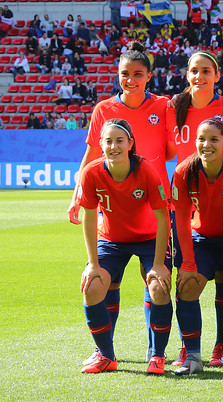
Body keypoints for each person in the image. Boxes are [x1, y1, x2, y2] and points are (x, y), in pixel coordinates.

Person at [68, 41, 175, 366]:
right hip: (115, 212)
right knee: (104, 281)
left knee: (155, 281)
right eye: (125, 74)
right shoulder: (103, 109)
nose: (131, 80)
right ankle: (105, 351)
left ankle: (156, 352)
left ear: (149, 76)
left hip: (154, 206)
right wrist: (76, 193)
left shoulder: (163, 105)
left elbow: (172, 150)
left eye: (138, 74)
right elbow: (91, 153)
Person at [168, 51, 223, 368]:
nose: (199, 76)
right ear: (187, 74)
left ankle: (221, 347)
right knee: (184, 278)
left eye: (206, 70)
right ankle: (187, 348)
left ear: (217, 75)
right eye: (194, 71)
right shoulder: (173, 106)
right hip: (191, 205)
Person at [77, 118, 173, 374]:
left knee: (159, 287)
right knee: (92, 287)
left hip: (149, 239)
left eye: (119, 141)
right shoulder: (91, 172)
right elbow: (89, 217)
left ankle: (157, 356)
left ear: (130, 143)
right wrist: (92, 264)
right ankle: (106, 356)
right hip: (111, 240)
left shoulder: (146, 171)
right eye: (108, 141)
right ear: (101, 144)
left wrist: (159, 264)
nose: (114, 146)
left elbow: (163, 218)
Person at [171, 117, 223, 375]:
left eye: (213, 140)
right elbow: (181, 219)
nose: (206, 144)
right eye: (201, 139)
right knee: (187, 284)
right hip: (204, 238)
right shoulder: (184, 172)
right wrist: (187, 263)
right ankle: (192, 356)